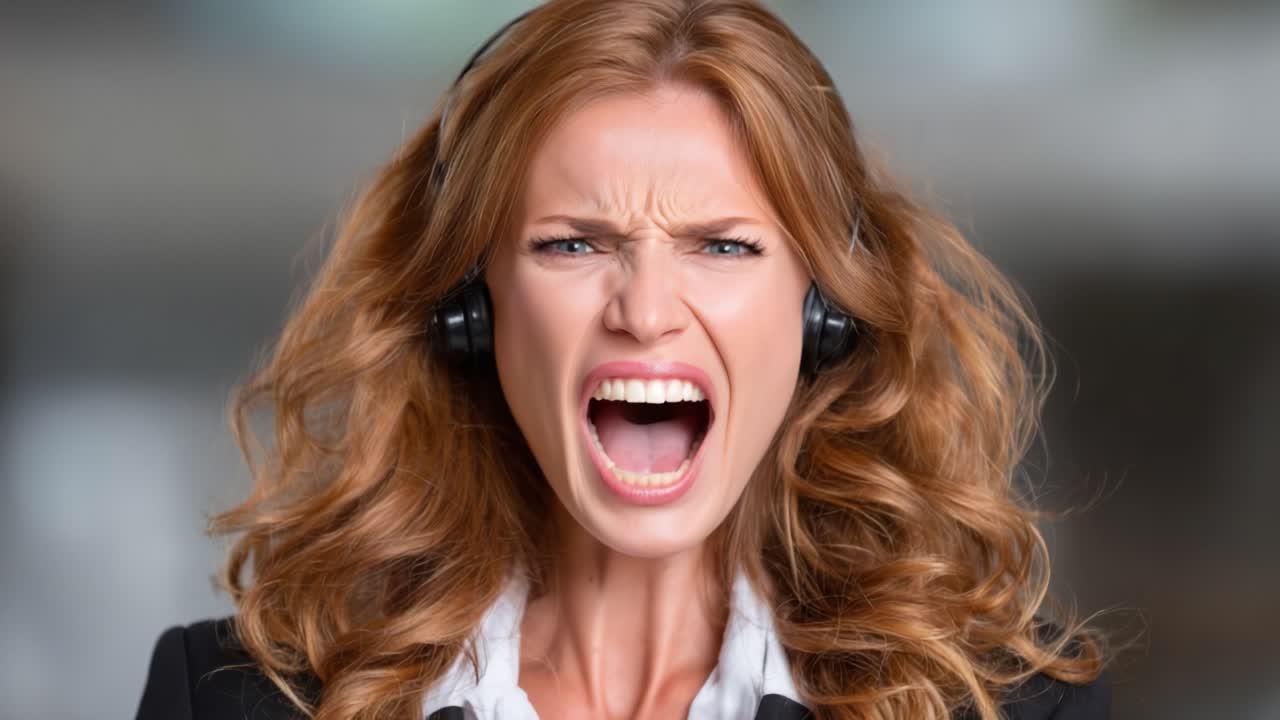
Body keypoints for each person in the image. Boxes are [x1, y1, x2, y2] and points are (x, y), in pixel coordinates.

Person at [136, 1, 1112, 718]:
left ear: (820, 313)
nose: (644, 314)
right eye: (574, 244)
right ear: (470, 309)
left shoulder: (1006, 709)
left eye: (722, 245)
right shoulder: (231, 701)